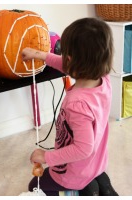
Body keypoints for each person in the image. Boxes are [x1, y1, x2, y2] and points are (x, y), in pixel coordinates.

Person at [21, 17, 117, 196]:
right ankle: (95, 181)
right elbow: (68, 66)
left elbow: (82, 148)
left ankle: (79, 189)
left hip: (73, 171)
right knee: (91, 175)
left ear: (71, 60)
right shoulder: (104, 78)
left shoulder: (76, 104)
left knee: (35, 185)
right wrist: (40, 55)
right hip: (97, 163)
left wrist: (46, 157)